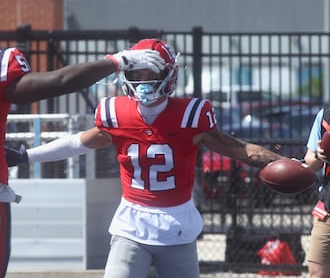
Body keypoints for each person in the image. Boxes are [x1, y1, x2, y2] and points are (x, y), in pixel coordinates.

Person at [6, 39, 286, 278]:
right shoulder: (117, 113)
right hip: (132, 223)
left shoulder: (190, 115)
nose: (142, 82)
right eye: (136, 75)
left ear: (169, 75)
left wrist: (291, 165)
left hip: (177, 224)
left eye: (149, 74)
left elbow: (239, 148)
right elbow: (79, 142)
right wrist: (28, 155)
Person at [0, 46, 163, 278]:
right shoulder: (117, 111)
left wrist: (28, 155)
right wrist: (115, 61)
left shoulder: (187, 112)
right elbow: (60, 81)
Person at [304, 103, 330, 278]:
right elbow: (310, 161)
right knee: (317, 270)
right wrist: (319, 155)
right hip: (329, 203)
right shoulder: (325, 115)